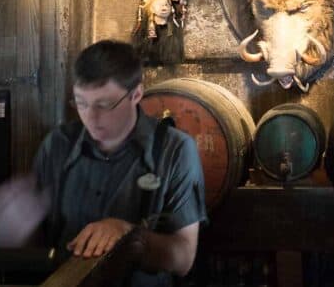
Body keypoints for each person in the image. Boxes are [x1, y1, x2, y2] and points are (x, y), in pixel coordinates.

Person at [33, 40, 207, 285]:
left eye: (104, 105)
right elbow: (35, 236)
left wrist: (127, 234)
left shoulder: (175, 149)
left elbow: (183, 259)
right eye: (81, 103)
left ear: (136, 94)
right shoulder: (57, 144)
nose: (91, 118)